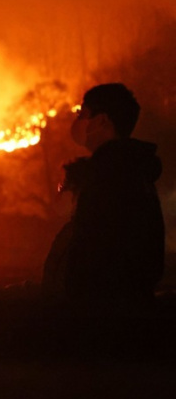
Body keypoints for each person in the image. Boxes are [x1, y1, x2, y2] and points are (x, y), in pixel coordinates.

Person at [42, 83, 165, 310]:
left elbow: (93, 257)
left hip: (100, 308)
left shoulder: (110, 177)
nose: (78, 121)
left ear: (102, 121)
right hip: (109, 301)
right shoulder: (128, 169)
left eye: (83, 114)